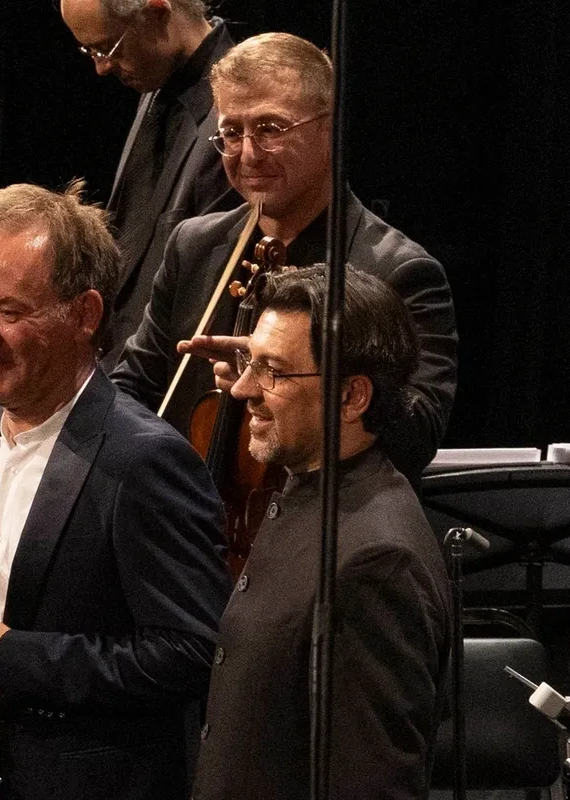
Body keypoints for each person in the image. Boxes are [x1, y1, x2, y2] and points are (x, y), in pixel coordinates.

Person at [0, 181, 232, 800]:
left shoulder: (144, 459)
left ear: (85, 315)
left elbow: (196, 651)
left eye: (10, 311)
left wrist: (19, 662)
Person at [112, 32, 458, 483]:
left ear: (330, 128)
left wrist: (300, 380)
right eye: (232, 132)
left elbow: (416, 440)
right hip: (185, 524)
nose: (249, 154)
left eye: (271, 128)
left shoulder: (397, 271)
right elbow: (131, 388)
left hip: (315, 532)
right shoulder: (192, 245)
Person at [190, 265, 451, 800]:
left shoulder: (375, 564)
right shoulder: (311, 494)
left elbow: (373, 787)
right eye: (249, 362)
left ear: (353, 397)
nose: (242, 390)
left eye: (274, 372)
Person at [59, 0, 240, 368]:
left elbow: (194, 300)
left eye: (108, 48)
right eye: (89, 50)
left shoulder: (236, 114)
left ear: (158, 13)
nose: (101, 66)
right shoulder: (155, 86)